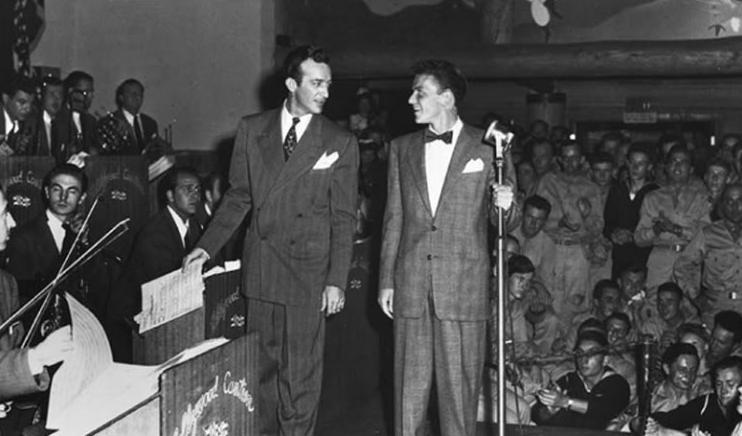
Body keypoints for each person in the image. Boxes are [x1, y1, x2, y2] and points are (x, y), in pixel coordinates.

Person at [182, 46, 358, 435]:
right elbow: (238, 196)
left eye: (328, 84)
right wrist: (206, 246)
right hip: (262, 268)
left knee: (300, 378)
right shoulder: (251, 128)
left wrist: (336, 280)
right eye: (316, 83)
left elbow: (343, 219)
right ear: (292, 84)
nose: (325, 92)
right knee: (261, 374)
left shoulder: (339, 141)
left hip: (309, 276)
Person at [377, 59, 516, 436]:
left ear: (447, 98)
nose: (410, 100)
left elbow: (504, 223)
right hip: (410, 288)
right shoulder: (400, 149)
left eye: (419, 92)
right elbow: (393, 218)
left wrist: (505, 204)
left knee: (459, 402)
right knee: (408, 399)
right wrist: (387, 280)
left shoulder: (489, 148)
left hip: (462, 290)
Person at [536, 140, 603, 323]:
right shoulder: (548, 182)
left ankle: (572, 346)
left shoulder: (591, 188)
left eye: (574, 158)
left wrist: (584, 220)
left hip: (577, 251)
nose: (570, 163)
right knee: (548, 300)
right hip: (552, 248)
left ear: (581, 159)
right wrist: (559, 223)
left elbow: (598, 225)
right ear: (559, 160)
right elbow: (536, 216)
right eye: (565, 158)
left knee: (576, 302)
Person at [635, 145, 711, 290]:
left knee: (689, 307)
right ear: (666, 167)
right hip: (660, 259)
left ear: (691, 169)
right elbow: (638, 239)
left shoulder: (702, 198)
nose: (678, 165)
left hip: (689, 260)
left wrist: (676, 229)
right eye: (673, 161)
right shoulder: (652, 197)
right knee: (657, 304)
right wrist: (656, 230)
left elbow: (706, 235)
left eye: (683, 162)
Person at [532, 330, 630, 429]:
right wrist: (550, 410)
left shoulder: (617, 384)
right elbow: (537, 415)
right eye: (580, 353)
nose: (584, 359)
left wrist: (566, 402)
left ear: (605, 360)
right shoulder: (569, 379)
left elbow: (603, 410)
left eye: (592, 353)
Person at [675, 184, 742, 327]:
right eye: (729, 201)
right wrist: (696, 297)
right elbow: (683, 265)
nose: (735, 206)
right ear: (722, 205)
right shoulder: (708, 233)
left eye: (739, 201)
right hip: (717, 307)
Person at [648, 355, 742, 436]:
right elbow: (670, 419)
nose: (723, 390)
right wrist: (648, 423)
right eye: (719, 384)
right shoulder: (706, 404)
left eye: (730, 384)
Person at [604, 143, 659, 278]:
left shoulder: (655, 193)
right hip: (620, 254)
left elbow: (656, 225)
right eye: (632, 163)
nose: (635, 168)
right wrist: (613, 233)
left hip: (645, 255)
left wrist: (632, 234)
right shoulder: (617, 190)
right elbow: (607, 221)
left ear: (649, 167)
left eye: (641, 164)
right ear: (627, 163)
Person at [101, 78, 159, 155]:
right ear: (121, 97)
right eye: (133, 94)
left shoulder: (150, 123)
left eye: (140, 94)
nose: (137, 97)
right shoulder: (109, 122)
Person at [54, 70, 98, 162]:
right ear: (71, 91)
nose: (90, 97)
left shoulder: (91, 121)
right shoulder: (57, 118)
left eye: (91, 93)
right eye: (86, 93)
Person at [1, 75, 35, 155]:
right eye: (22, 102)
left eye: (31, 104)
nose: (28, 109)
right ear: (5, 98)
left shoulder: (29, 124)